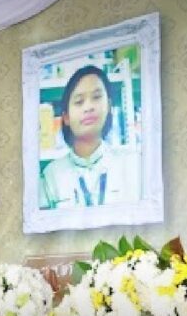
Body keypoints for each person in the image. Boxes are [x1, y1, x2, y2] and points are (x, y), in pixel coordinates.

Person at [39, 64, 141, 209]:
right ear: (66, 117)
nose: (88, 107)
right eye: (79, 102)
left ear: (109, 106)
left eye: (97, 97)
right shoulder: (51, 176)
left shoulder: (133, 166)